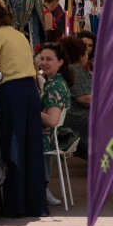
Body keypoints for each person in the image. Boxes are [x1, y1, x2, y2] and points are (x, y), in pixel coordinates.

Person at [0, 0, 47, 217]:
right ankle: (35, 204)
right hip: (29, 91)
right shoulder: (19, 35)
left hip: (11, 92)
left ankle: (16, 205)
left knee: (13, 144)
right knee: (31, 146)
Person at [37, 43, 74, 206]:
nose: (43, 62)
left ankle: (40, 188)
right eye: (42, 58)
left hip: (47, 137)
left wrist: (28, 109)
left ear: (60, 62)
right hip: (50, 135)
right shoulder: (54, 82)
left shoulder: (55, 85)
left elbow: (52, 121)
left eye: (49, 59)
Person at [60, 36, 91, 159]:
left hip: (68, 116)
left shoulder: (67, 70)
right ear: (81, 56)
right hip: (77, 116)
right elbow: (85, 99)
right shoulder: (76, 71)